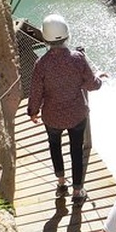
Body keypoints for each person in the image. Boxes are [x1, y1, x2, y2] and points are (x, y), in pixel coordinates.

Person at [28, 14, 106, 207]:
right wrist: (99, 78)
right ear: (66, 35)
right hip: (76, 114)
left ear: (45, 38)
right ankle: (78, 191)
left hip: (52, 116)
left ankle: (61, 184)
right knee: (76, 150)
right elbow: (92, 85)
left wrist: (33, 112)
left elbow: (36, 92)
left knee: (54, 146)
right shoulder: (78, 59)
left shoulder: (41, 64)